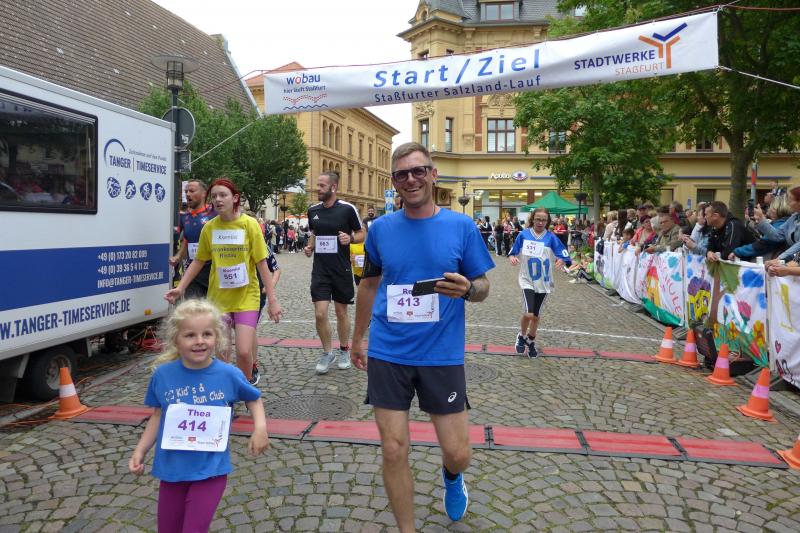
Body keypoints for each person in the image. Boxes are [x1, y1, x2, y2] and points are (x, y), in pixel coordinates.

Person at [351, 142, 494, 531]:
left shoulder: (461, 227)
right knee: (393, 448)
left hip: (440, 354)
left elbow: (483, 286)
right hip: (389, 350)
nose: (411, 179)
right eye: (402, 174)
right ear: (394, 182)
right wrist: (358, 338)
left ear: (433, 175)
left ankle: (452, 476)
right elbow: (369, 284)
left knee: (458, 452)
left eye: (418, 171)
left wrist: (469, 289)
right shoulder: (380, 230)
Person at [128, 299, 269, 533]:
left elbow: (253, 398)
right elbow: (158, 415)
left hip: (210, 471)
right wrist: (140, 450)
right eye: (190, 335)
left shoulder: (228, 374)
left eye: (207, 334)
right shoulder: (163, 375)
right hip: (172, 470)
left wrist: (260, 428)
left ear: (217, 337)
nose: (200, 341)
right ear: (176, 339)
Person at [165, 178, 282, 385]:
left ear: (234, 198)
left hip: (247, 296)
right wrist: (181, 287)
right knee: (222, 352)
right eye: (214, 196)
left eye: (223, 195)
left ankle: (245, 387)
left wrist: (272, 300)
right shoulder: (210, 228)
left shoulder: (249, 224)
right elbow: (198, 261)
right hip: (219, 299)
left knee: (244, 352)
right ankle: (226, 393)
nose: (218, 200)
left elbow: (262, 263)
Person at [304, 171, 365, 374]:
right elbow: (314, 232)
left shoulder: (347, 209)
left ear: (333, 187)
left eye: (322, 185)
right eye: (317, 184)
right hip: (320, 270)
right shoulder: (313, 210)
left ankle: (344, 349)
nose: (318, 188)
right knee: (320, 313)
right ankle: (327, 352)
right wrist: (310, 246)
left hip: (341, 268)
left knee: (341, 312)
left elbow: (362, 233)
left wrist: (351, 238)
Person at [508, 207, 571, 357]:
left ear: (547, 221)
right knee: (528, 314)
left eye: (544, 220)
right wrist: (512, 257)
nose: (540, 222)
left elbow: (563, 253)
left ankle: (531, 340)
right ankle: (521, 335)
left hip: (544, 281)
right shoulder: (523, 235)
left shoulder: (551, 237)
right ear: (532, 219)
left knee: (536, 316)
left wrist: (562, 260)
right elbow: (513, 251)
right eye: (538, 219)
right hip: (527, 279)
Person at [169, 180, 215, 300]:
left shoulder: (214, 213)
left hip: (212, 271)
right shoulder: (185, 217)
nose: (188, 194)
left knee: (213, 309)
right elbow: (187, 239)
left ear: (204, 194)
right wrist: (178, 256)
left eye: (192, 191)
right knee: (193, 307)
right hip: (193, 273)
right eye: (186, 191)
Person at [731, 195, 791, 260]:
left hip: (771, 262)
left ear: (776, 209)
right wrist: (756, 222)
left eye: (771, 206)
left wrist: (737, 251)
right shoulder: (784, 222)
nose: (769, 209)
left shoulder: (781, 224)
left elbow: (762, 244)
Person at [755, 185, 800, 265]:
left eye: (790, 200)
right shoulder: (794, 218)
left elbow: (798, 245)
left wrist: (779, 259)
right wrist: (761, 219)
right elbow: (777, 235)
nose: (787, 203)